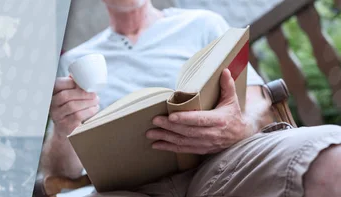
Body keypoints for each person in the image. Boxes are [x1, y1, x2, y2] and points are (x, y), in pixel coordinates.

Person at [39, 0, 341, 196]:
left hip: (225, 162)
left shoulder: (203, 24)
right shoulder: (75, 62)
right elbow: (61, 174)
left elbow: (257, 99)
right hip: (130, 189)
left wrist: (240, 125)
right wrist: (66, 128)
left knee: (333, 158)